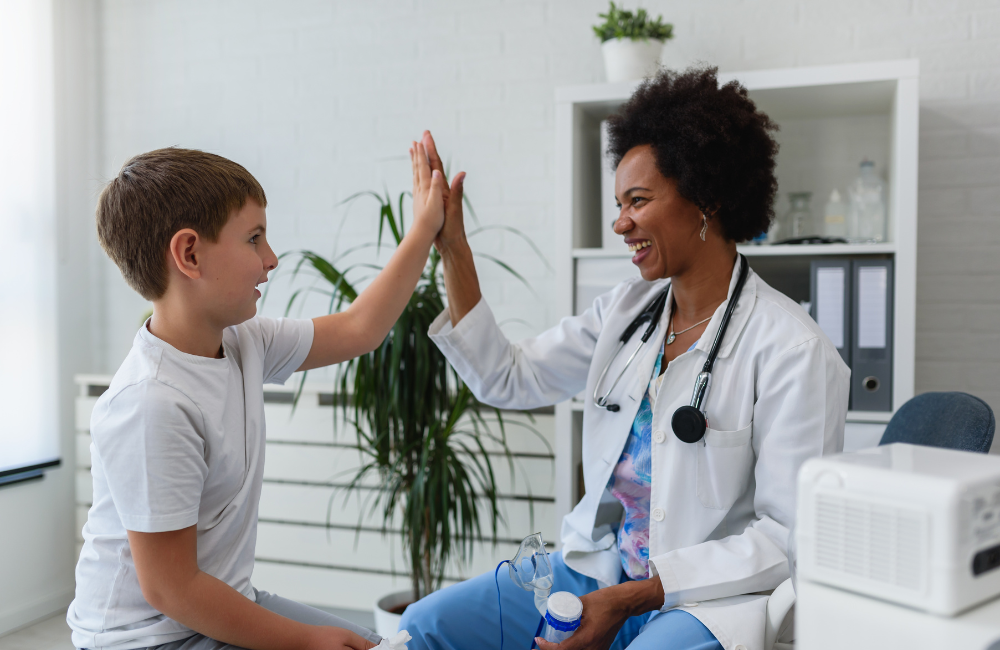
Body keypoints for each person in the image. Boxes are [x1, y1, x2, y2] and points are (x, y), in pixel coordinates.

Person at [400, 66, 850, 650]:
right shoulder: (627, 313)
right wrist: (452, 246)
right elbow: (506, 377)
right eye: (618, 204)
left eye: (637, 201)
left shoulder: (793, 349)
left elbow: (787, 538)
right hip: (599, 572)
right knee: (425, 628)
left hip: (706, 602)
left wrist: (636, 597)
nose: (620, 223)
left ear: (706, 197)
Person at [67, 143, 447, 650]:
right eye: (254, 239)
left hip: (214, 602)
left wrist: (424, 228)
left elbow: (360, 329)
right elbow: (172, 589)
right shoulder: (150, 403)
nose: (271, 259)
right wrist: (307, 641)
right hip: (147, 638)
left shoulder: (245, 342)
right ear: (190, 254)